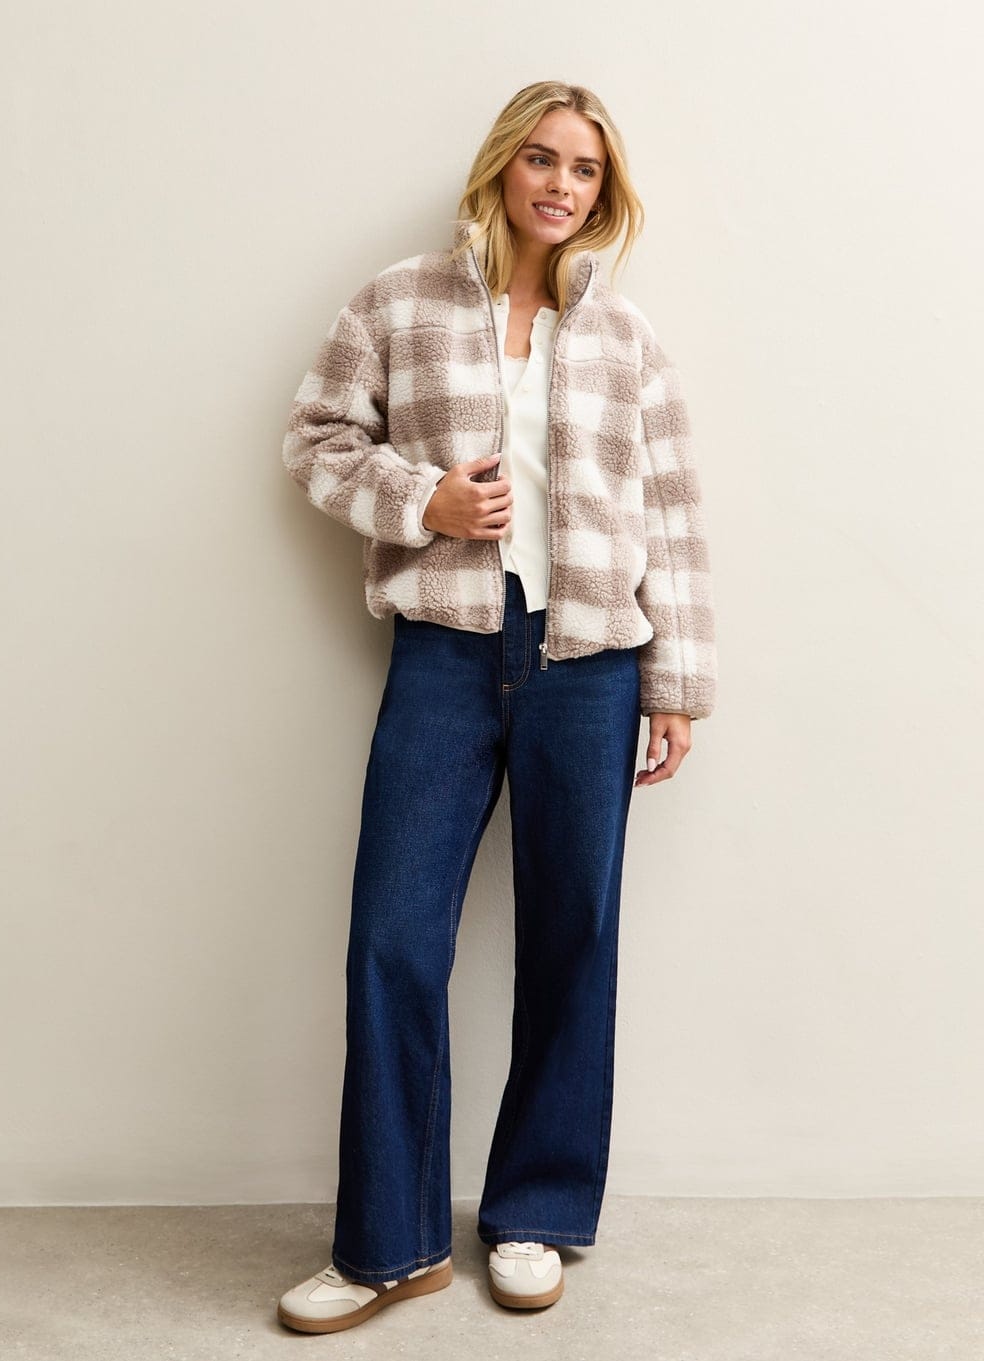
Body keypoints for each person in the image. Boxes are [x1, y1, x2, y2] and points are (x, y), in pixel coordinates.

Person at [274, 80, 718, 1335]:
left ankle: (535, 1210)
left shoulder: (625, 340)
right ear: (502, 166)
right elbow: (313, 437)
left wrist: (678, 683)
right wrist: (424, 500)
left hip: (593, 663)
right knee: (393, 938)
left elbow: (673, 514)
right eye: (542, 158)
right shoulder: (400, 300)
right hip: (447, 652)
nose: (560, 185)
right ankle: (389, 1244)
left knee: (574, 938)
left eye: (585, 169)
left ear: (603, 193)